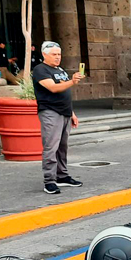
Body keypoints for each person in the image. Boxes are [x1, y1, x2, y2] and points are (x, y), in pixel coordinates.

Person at [33, 41, 83, 194]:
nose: (57, 57)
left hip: (65, 112)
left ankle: (62, 176)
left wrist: (72, 113)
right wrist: (72, 81)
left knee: (62, 147)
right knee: (51, 146)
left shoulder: (60, 70)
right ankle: (49, 180)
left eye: (59, 54)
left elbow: (64, 92)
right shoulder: (40, 69)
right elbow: (53, 88)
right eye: (54, 54)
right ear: (44, 54)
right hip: (50, 112)